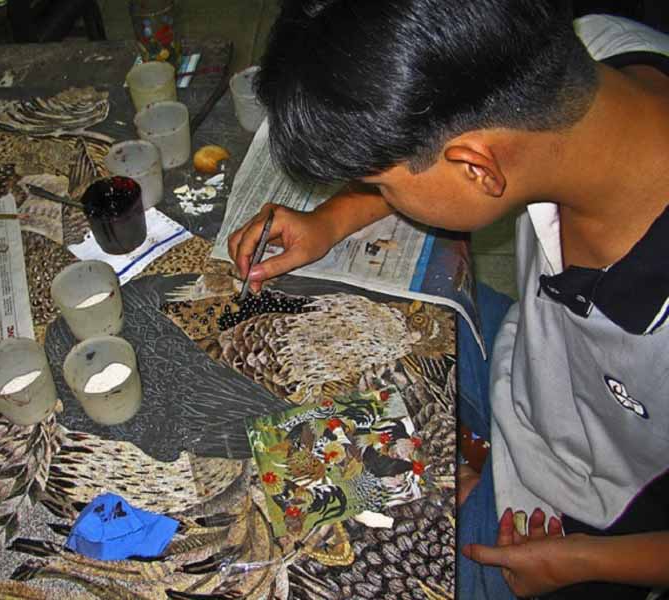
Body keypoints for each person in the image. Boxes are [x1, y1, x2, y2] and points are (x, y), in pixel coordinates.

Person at [227, 2, 669, 599]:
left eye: (380, 184)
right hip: (532, 356)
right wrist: (331, 221)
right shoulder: (590, 54)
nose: (374, 193)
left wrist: (584, 562)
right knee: (295, 378)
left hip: (577, 524)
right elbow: (443, 135)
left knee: (300, 547)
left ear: (476, 167)